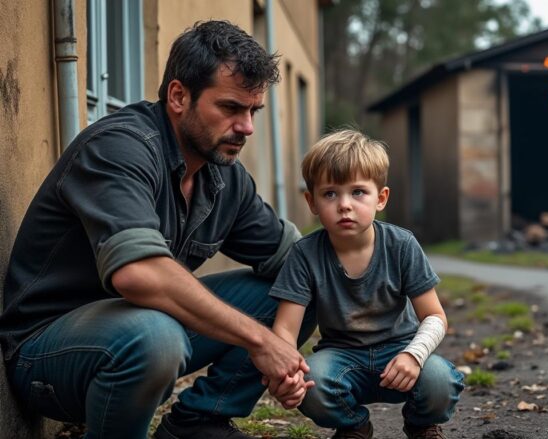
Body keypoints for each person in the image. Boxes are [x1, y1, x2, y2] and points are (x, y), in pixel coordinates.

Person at [0, 20, 315, 439]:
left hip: (141, 330)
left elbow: (305, 260)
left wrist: (401, 309)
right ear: (179, 96)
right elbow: (140, 274)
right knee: (156, 338)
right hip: (48, 353)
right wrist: (263, 342)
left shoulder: (224, 176)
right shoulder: (119, 148)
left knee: (307, 280)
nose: (247, 128)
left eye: (253, 111)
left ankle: (198, 422)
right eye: (230, 108)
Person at [269, 130, 464, 439]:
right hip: (342, 358)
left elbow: (435, 317)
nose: (344, 204)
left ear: (381, 198)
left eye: (358, 192)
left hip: (401, 351)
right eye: (330, 194)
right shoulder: (304, 254)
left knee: (440, 378)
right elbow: (284, 331)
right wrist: (285, 374)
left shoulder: (401, 245)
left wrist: (414, 355)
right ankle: (354, 426)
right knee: (312, 382)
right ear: (312, 202)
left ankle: (420, 423)